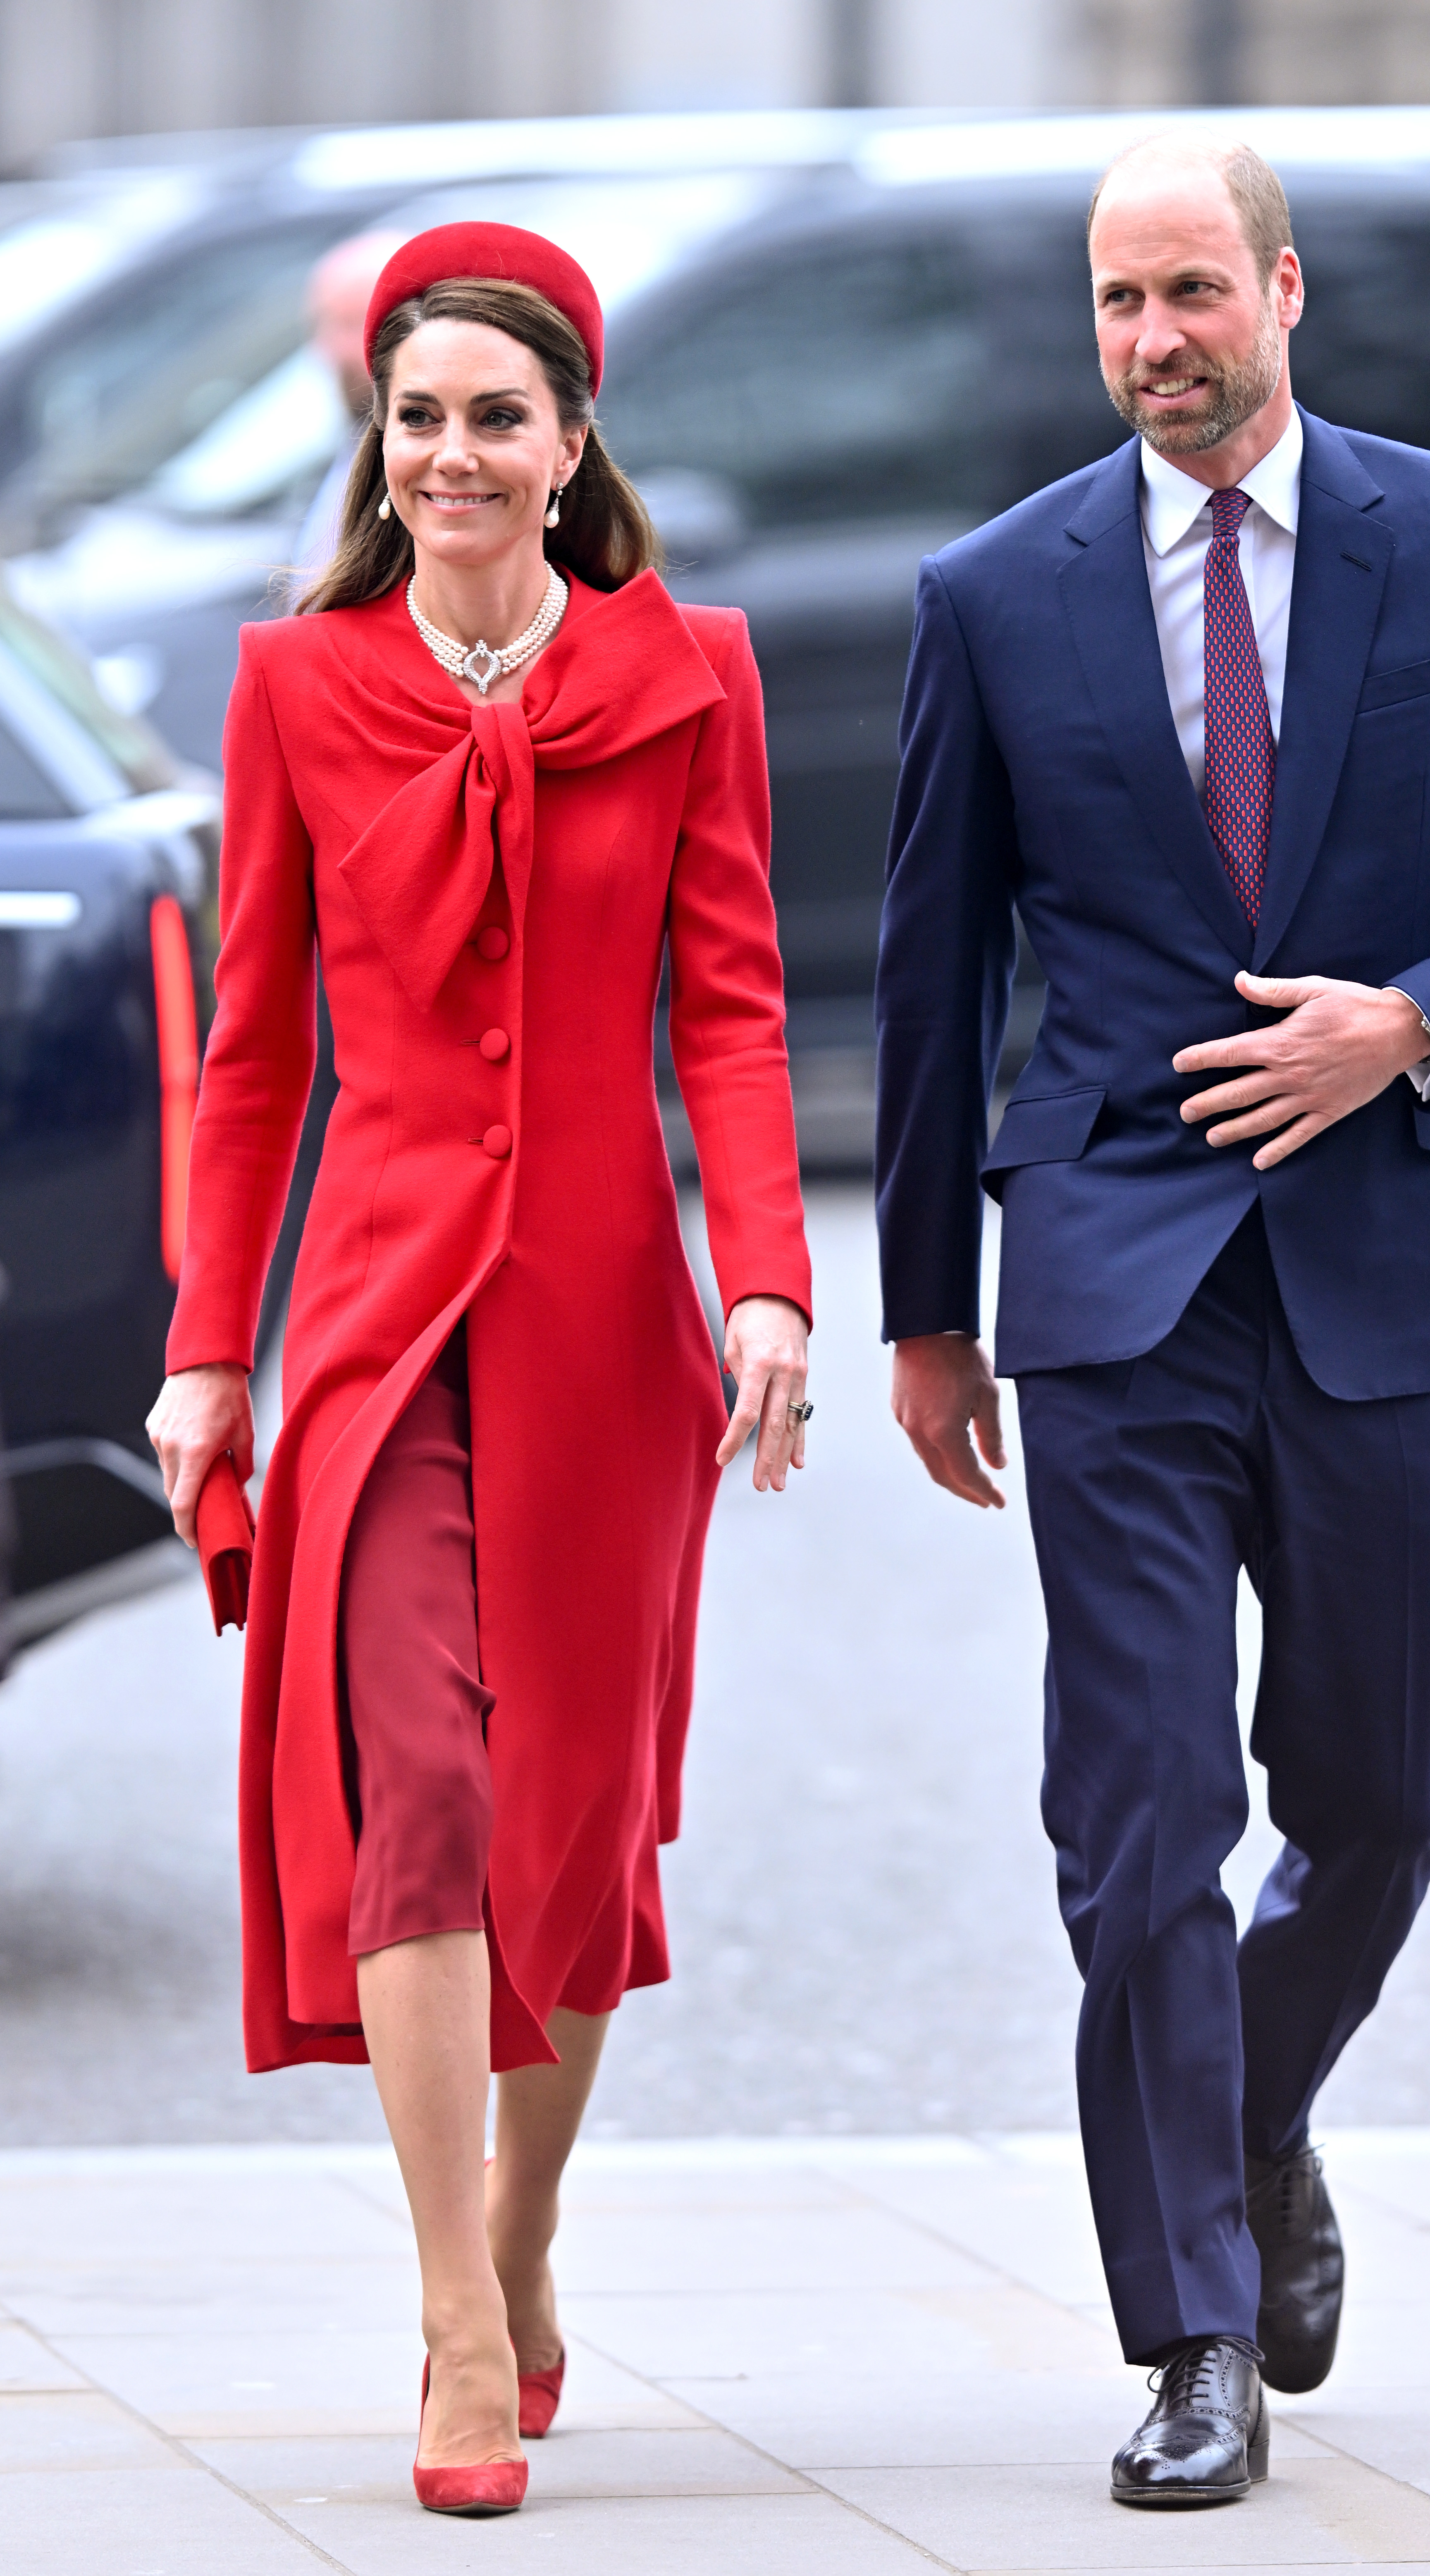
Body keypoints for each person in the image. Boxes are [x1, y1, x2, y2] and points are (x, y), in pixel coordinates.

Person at [875, 134, 1430, 2508]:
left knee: (1374, 1806)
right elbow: (934, 977)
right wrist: (927, 1306)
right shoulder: (993, 589)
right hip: (1107, 1275)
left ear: (1284, 291)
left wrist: (1406, 1020)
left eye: (1192, 291)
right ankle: (1192, 2330)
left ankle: (1246, 2112)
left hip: (1381, 1262)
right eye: (1118, 302)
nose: (1154, 342)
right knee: (1134, 1829)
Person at [147, 222, 812, 2519]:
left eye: (491, 417)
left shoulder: (690, 674)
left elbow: (730, 1007)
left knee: (567, 1818)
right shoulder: (296, 684)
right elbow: (245, 1058)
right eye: (413, 415)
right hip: (366, 1316)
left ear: (571, 442)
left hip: (609, 1332)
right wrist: (203, 1354)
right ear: (384, 439)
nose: (446, 453)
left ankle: (531, 2231)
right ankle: (451, 2313)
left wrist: (769, 1288)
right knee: (409, 1787)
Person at [293, 230, 406, 578]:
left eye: (351, 324)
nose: (329, 351)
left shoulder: (428, 471)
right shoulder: (346, 448)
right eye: (321, 324)